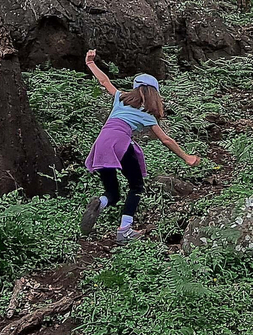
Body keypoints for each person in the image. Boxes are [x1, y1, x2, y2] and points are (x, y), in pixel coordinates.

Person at [81, 48, 199, 243]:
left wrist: (90, 63)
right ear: (154, 94)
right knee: (136, 186)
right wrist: (187, 157)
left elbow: (104, 81)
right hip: (120, 142)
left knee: (112, 193)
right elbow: (166, 140)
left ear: (136, 89)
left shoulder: (120, 98)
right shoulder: (147, 115)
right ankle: (124, 230)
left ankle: (100, 202)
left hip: (101, 142)